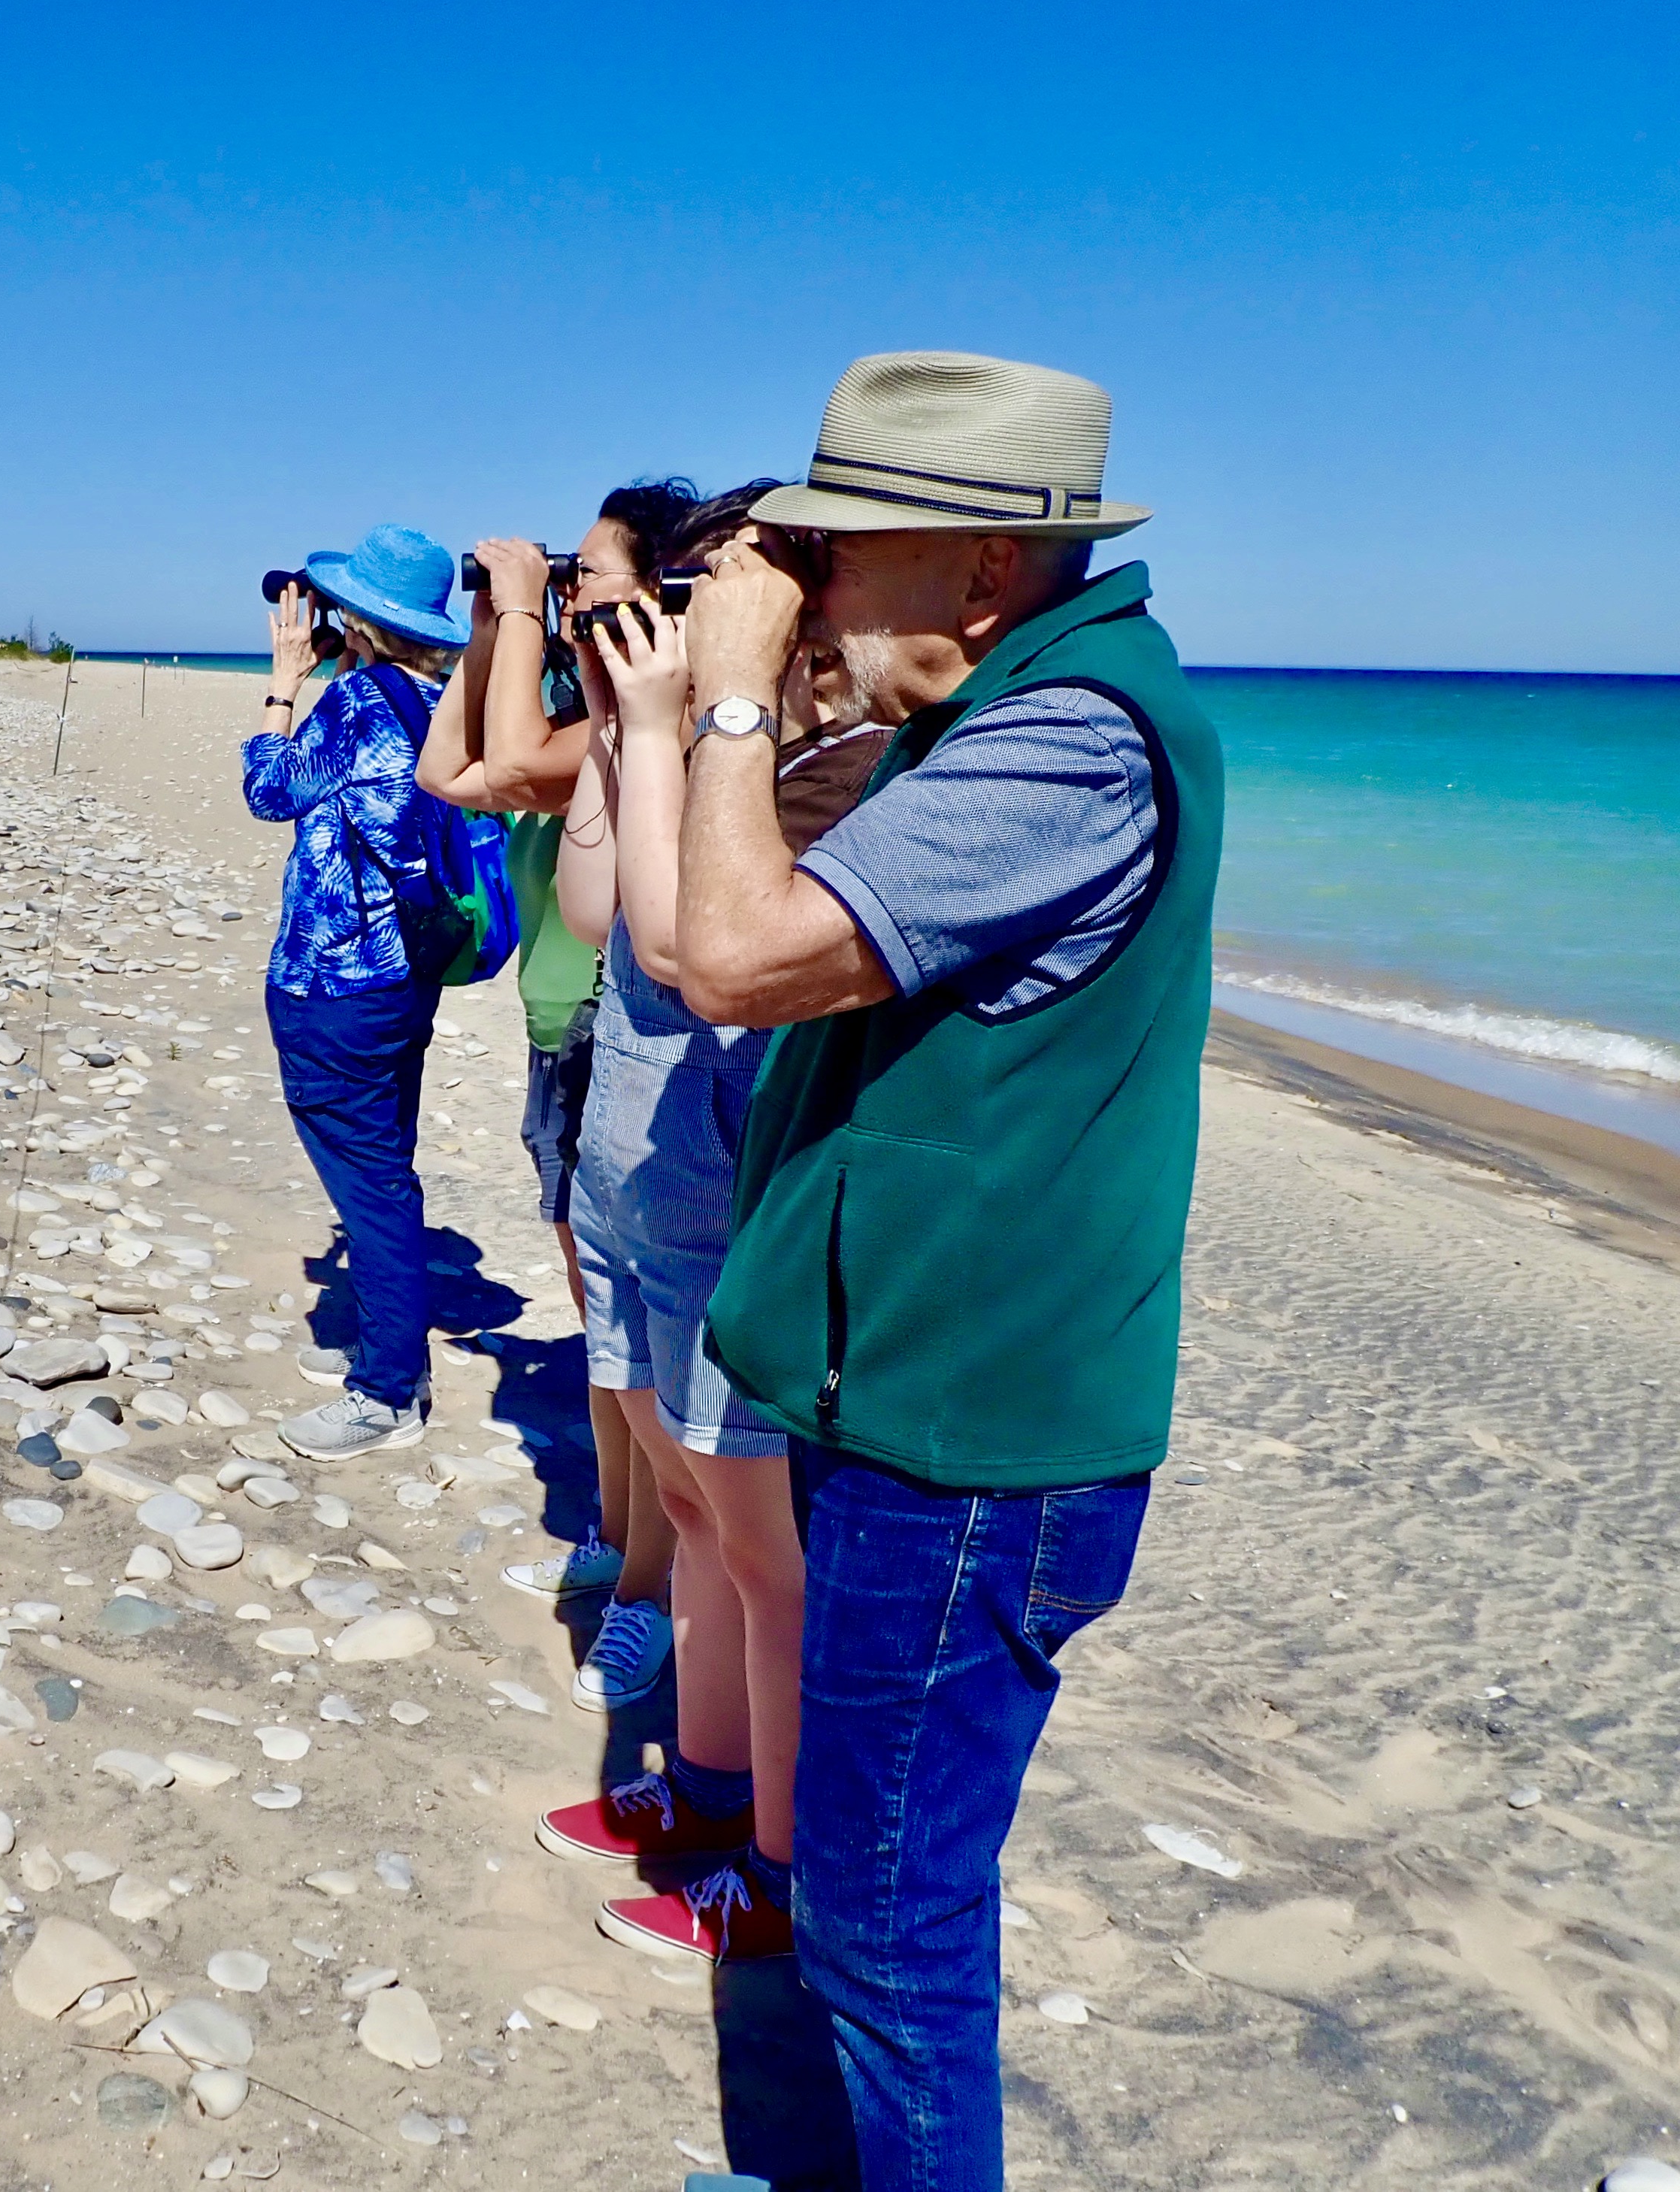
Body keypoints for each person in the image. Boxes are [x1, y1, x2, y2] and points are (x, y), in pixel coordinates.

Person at [675, 352, 1221, 2190]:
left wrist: (736, 694)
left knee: (890, 1927)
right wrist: (737, 700)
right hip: (914, 1403)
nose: (803, 582)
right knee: (881, 1892)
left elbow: (739, 962)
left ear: (982, 574)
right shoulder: (996, 712)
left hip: (968, 1446)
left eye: (836, 551)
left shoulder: (1066, 743)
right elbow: (686, 935)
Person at [531, 482, 891, 1964]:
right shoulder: (707, 751)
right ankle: (708, 1791)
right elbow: (600, 908)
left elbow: (683, 950)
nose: (682, 620)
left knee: (764, 1556)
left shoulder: (844, 772)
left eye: (715, 591)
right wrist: (632, 733)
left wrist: (703, 720)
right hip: (651, 1184)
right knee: (696, 1520)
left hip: (730, 1198)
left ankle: (781, 1871)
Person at [417, 487, 724, 1712]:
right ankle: (621, 1538)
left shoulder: (670, 727)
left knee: (638, 1348)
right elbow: (453, 766)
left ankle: (651, 1587)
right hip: (567, 1042)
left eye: (591, 570)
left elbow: (492, 774)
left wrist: (522, 612)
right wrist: (502, 632)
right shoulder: (598, 719)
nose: (575, 586)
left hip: (624, 1041)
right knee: (606, 1341)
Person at [244, 523, 471, 1461]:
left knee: (370, 1184)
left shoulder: (353, 703)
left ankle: (385, 1391)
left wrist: (284, 684)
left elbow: (268, 791)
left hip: (334, 981)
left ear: (360, 620)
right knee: (387, 1162)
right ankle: (391, 1346)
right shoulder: (435, 700)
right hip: (404, 973)